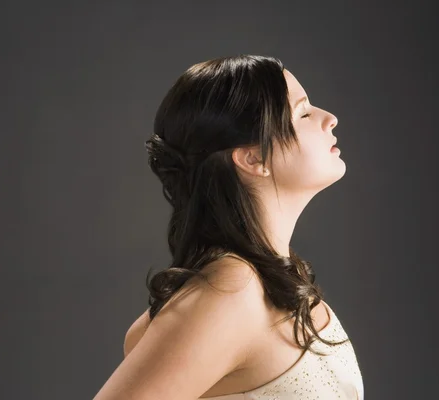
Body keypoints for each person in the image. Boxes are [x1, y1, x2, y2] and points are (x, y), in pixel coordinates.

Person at [94, 55, 364, 400]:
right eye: (304, 113)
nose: (330, 119)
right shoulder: (231, 293)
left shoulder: (270, 276)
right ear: (254, 158)